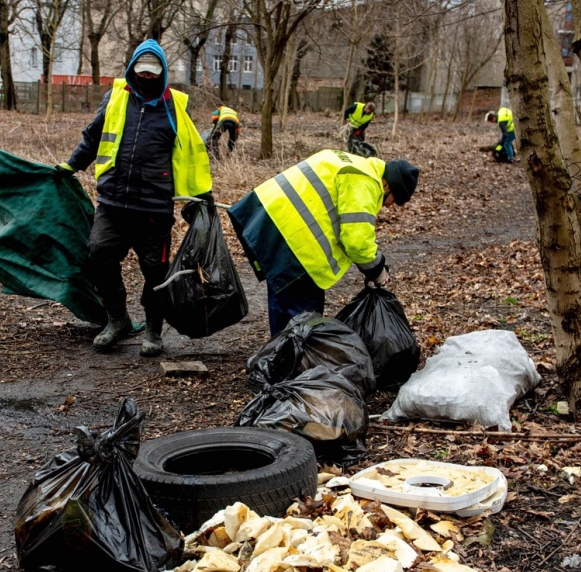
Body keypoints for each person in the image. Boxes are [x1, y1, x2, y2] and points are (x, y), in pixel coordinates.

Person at [54, 40, 213, 357]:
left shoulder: (176, 107)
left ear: (163, 72)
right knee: (99, 255)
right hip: (113, 203)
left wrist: (201, 199)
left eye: (153, 73)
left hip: (154, 208)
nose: (147, 78)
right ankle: (118, 320)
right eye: (142, 72)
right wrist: (72, 164)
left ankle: (153, 330)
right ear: (132, 70)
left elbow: (193, 156)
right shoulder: (115, 98)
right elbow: (93, 135)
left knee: (155, 272)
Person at [228, 148, 420, 335]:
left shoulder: (347, 161)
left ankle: (278, 357)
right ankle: (294, 363)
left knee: (282, 302)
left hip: (268, 220)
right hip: (297, 244)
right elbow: (357, 241)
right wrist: (377, 269)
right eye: (394, 200)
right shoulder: (364, 181)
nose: (388, 206)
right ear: (387, 186)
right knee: (303, 316)